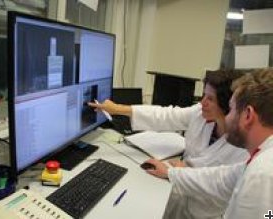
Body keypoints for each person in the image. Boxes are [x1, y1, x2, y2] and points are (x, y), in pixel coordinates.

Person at [89, 70, 249, 219]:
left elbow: (222, 182)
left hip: (204, 212)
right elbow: (165, 115)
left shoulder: (243, 145)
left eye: (210, 99)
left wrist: (184, 169)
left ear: (228, 104)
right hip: (178, 195)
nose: (202, 103)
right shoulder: (200, 114)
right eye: (204, 96)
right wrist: (117, 109)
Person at [149, 68, 273, 218]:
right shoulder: (261, 158)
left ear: (248, 115)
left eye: (232, 110)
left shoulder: (262, 175)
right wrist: (171, 173)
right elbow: (219, 179)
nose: (227, 117)